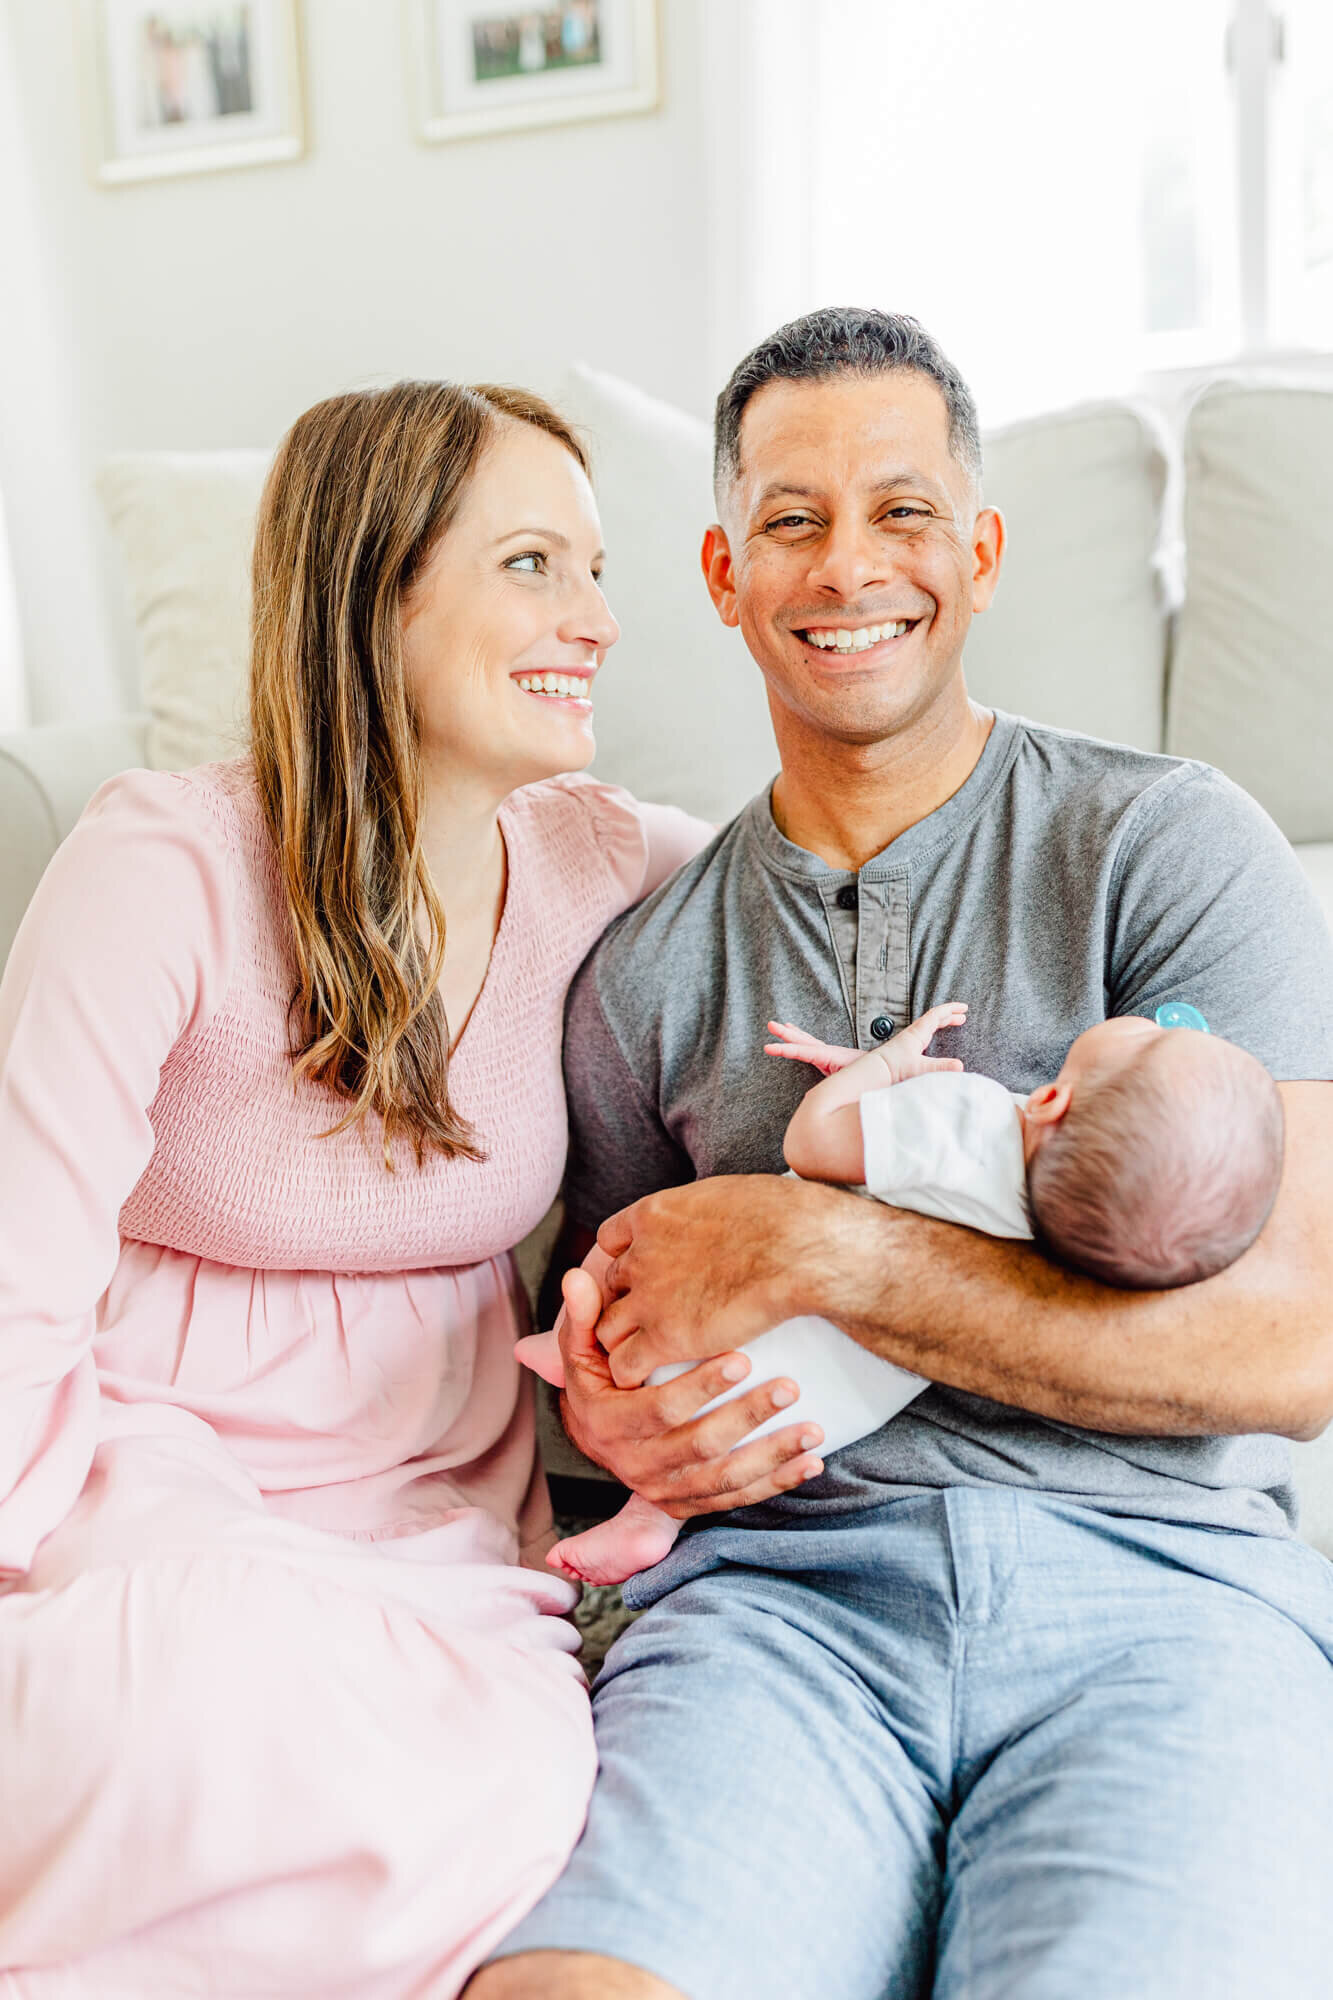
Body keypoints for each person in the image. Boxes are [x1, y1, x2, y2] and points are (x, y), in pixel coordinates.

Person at [472, 309, 1333, 2000]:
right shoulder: (640, 975)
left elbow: (1287, 1348)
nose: (846, 564)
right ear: (722, 576)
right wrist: (615, 1405)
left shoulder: (1169, 849)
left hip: (1160, 1603)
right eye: (789, 520)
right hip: (776, 1617)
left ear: (982, 553)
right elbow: (608, 1359)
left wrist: (829, 1250)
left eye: (902, 511)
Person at [0, 379, 737, 1996]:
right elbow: (16, 1289)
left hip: (431, 1531)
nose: (598, 620)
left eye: (596, 568)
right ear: (375, 587)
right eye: (534, 565)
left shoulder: (596, 860)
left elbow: (826, 895)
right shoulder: (157, 865)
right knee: (177, 1699)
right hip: (142, 1468)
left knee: (516, 1796)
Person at [521, 1004, 1286, 1585]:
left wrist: (883, 1068)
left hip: (724, 1340)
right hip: (834, 1404)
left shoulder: (969, 1115)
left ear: (1050, 1099)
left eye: (1149, 1041)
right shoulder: (1071, 1248)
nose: (1154, 1026)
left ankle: (569, 1347)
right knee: (724, 1433)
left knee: (631, 1257)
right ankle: (648, 1522)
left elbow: (817, 1141)